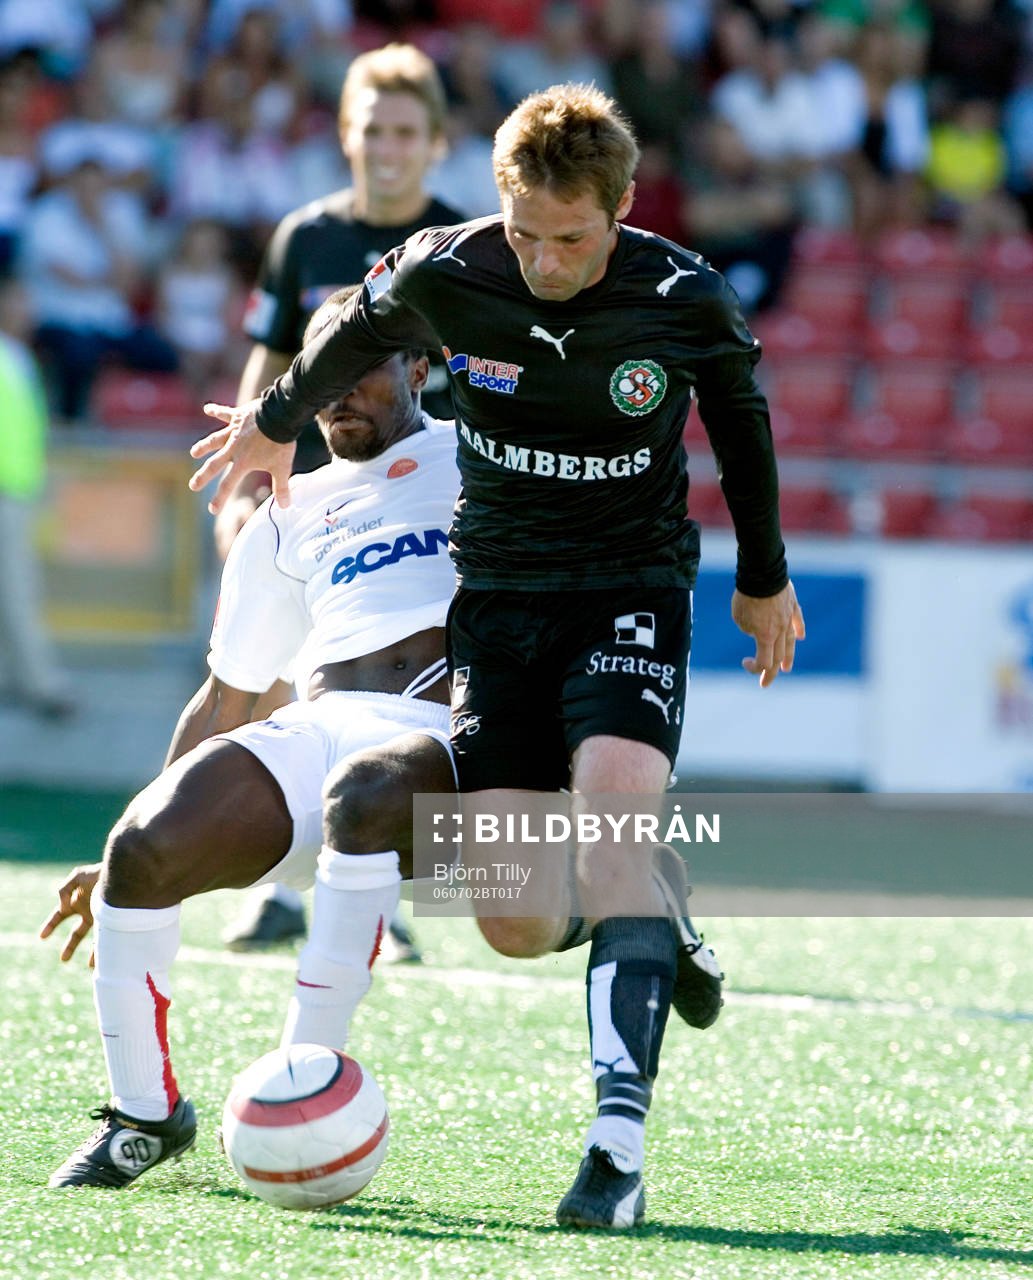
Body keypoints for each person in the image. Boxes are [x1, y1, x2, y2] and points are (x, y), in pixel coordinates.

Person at [188, 83, 805, 1230]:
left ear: (618, 211)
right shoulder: (445, 268)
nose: (542, 260)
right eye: (523, 232)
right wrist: (273, 422)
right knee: (513, 916)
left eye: (568, 239)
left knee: (613, 817)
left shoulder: (682, 296)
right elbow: (343, 334)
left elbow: (742, 424)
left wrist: (761, 576)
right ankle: (652, 918)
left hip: (627, 593)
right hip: (502, 604)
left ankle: (614, 1147)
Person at [41, 289, 459, 1189]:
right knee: (146, 851)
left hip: (447, 738)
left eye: (363, 370)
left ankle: (305, 1080)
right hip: (318, 730)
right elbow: (227, 694)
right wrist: (127, 836)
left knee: (368, 792)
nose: (339, 394)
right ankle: (143, 1117)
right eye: (321, 377)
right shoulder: (286, 512)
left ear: (418, 369)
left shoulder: (481, 460)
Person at [216, 41, 465, 953]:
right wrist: (251, 480)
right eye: (371, 129)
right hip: (326, 489)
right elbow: (270, 367)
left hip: (427, 498)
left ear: (435, 142)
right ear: (344, 135)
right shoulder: (305, 238)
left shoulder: (458, 243)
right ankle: (280, 887)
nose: (386, 146)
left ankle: (386, 886)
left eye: (405, 131)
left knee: (407, 680)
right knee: (287, 665)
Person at [0, 277, 74, 718]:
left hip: (17, 491)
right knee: (17, 590)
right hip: (6, 492)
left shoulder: (17, 357)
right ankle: (44, 687)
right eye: (20, 298)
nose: (29, 307)